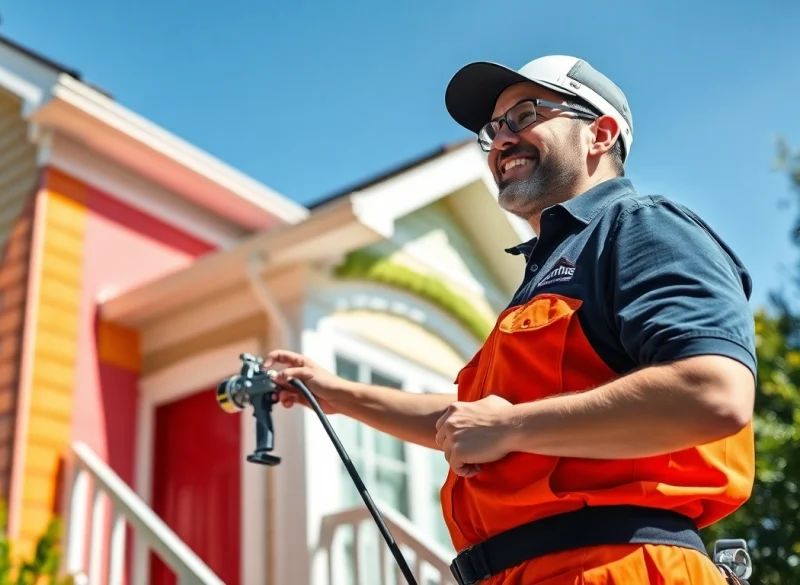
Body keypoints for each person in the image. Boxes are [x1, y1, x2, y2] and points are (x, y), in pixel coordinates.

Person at [264, 55, 757, 584]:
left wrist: (507, 426)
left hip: (618, 566)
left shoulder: (640, 228)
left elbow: (713, 392)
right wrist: (334, 393)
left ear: (601, 133)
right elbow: (467, 422)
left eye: (525, 116)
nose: (500, 140)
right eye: (493, 129)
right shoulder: (542, 275)